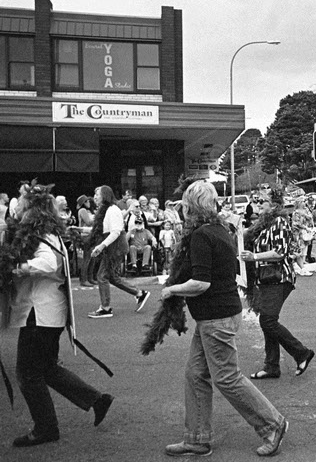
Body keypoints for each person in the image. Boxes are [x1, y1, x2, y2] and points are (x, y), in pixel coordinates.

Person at [159, 180, 288, 457]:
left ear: (190, 206)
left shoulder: (201, 235)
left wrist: (171, 289)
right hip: (217, 315)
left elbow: (201, 283)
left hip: (216, 317)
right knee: (196, 375)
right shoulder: (218, 229)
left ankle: (272, 424)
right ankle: (197, 438)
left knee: (227, 377)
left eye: (184, 204)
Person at [3, 183, 113, 448]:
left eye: (20, 199)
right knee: (47, 368)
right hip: (44, 312)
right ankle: (97, 400)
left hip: (39, 312)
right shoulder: (43, 232)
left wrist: (19, 268)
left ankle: (46, 428)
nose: (16, 203)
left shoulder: (39, 234)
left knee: (28, 374)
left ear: (31, 206)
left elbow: (50, 263)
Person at [241, 185, 315, 382]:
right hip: (266, 278)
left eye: (262, 202)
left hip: (279, 277)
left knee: (268, 320)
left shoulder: (280, 222)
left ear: (273, 205)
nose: (258, 206)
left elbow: (280, 252)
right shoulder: (263, 224)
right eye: (257, 202)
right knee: (267, 321)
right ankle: (272, 366)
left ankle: (302, 353)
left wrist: (253, 256)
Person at [87, 185, 150, 318]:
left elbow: (115, 232)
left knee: (102, 276)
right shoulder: (106, 211)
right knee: (112, 277)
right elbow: (102, 229)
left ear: (105, 195)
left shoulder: (112, 210)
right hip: (113, 246)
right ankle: (139, 293)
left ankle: (105, 308)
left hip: (116, 247)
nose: (95, 197)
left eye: (97, 194)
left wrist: (101, 246)